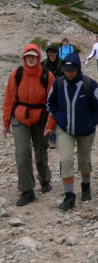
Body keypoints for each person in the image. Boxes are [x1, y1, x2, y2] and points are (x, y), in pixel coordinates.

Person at [44, 53, 98, 211]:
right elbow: (50, 103)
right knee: (65, 160)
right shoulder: (58, 84)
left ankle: (86, 186)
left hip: (86, 131)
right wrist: (58, 118)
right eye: (66, 70)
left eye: (72, 70)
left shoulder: (89, 84)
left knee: (84, 161)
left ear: (78, 68)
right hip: (65, 130)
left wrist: (92, 124)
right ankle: (69, 196)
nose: (69, 73)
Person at [2, 44, 55, 206]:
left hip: (40, 120)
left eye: (33, 56)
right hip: (20, 119)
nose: (30, 58)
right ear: (24, 57)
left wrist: (51, 124)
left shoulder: (47, 75)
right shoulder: (16, 74)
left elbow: (53, 103)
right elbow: (10, 99)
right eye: (27, 56)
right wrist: (6, 122)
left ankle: (45, 178)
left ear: (38, 57)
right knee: (22, 153)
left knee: (41, 151)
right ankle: (27, 190)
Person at [41, 45, 63, 148]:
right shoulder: (43, 64)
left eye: (53, 54)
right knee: (44, 114)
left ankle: (53, 139)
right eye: (50, 54)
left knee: (53, 113)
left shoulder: (62, 64)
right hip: (44, 92)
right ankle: (44, 138)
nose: (52, 56)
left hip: (58, 92)